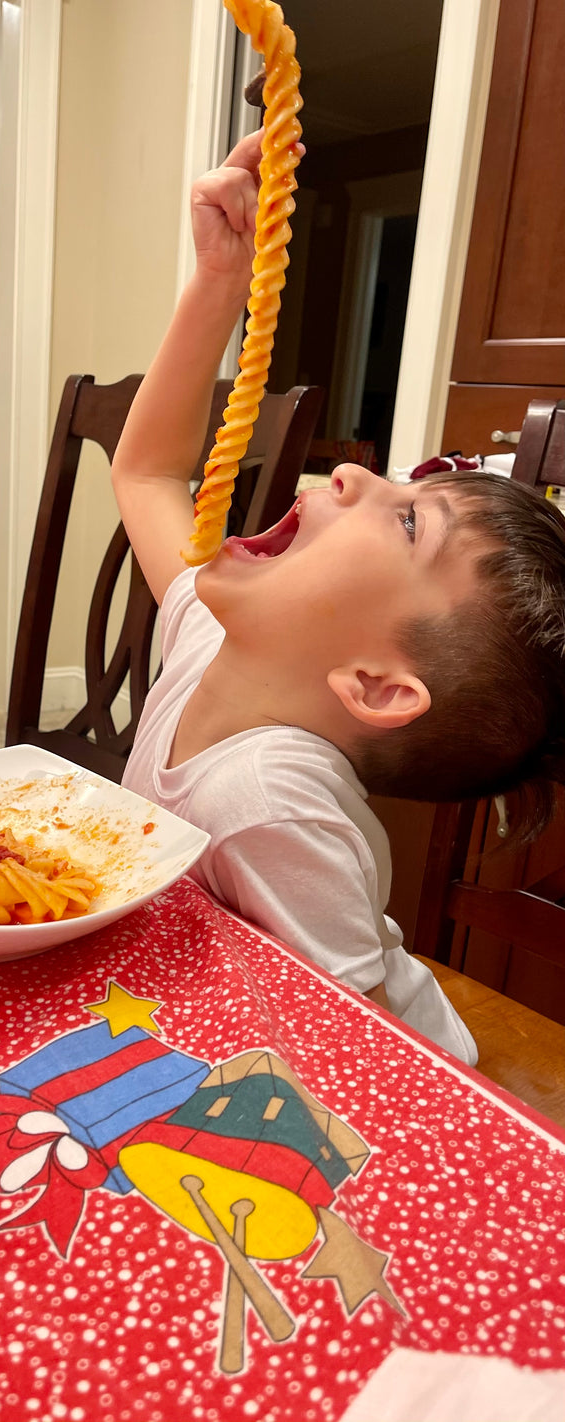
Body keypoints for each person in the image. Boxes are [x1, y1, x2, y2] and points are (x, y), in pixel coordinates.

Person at [110, 130, 565, 1066]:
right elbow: (147, 474)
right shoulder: (212, 637)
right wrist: (216, 281)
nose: (356, 476)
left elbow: (356, 1057)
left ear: (374, 681)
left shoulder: (272, 800)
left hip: (403, 1084)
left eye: (407, 524)